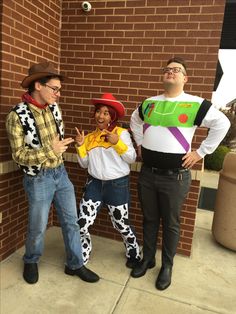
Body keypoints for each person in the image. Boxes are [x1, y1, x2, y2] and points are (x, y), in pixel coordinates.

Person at [130, 56, 230, 290]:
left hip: (174, 177)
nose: (171, 72)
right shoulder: (148, 103)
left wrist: (201, 152)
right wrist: (140, 141)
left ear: (185, 78)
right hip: (148, 174)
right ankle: (147, 259)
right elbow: (135, 121)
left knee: (171, 223)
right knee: (150, 219)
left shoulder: (196, 104)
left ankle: (167, 265)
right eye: (167, 70)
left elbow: (222, 124)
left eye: (177, 70)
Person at [5, 61, 99, 284]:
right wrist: (51, 150)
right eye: (54, 88)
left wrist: (73, 142)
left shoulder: (55, 109)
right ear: (38, 85)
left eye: (59, 89)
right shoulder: (17, 116)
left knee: (71, 221)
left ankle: (75, 264)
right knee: (37, 226)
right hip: (38, 179)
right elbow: (18, 156)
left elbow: (56, 141)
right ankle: (31, 260)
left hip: (60, 173)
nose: (58, 94)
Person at [75, 93, 141, 268]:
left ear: (112, 116)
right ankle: (82, 256)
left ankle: (133, 252)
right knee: (82, 223)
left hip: (117, 185)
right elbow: (84, 164)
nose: (100, 116)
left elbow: (132, 158)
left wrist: (117, 143)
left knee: (122, 224)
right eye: (98, 112)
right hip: (94, 185)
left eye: (106, 113)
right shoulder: (89, 137)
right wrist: (81, 146)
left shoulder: (121, 133)